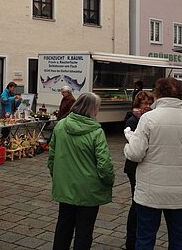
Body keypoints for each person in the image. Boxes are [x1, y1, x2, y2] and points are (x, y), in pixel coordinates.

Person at [124, 77, 182, 250]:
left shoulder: (148, 119)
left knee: (145, 237)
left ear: (158, 94)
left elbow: (135, 154)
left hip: (150, 191)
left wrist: (128, 142)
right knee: (179, 236)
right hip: (180, 191)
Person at [48, 92, 115, 250]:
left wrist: (58, 177)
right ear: (92, 109)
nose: (98, 112)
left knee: (63, 227)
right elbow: (104, 164)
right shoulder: (96, 131)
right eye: (97, 108)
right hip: (89, 190)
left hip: (65, 187)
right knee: (84, 231)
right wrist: (109, 181)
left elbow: (52, 157)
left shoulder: (61, 125)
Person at [124, 91, 154, 250]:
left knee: (139, 204)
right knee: (136, 204)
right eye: (145, 104)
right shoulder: (132, 120)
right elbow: (135, 145)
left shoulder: (149, 119)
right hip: (134, 167)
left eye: (150, 103)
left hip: (144, 166)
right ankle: (131, 241)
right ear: (138, 105)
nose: (148, 106)